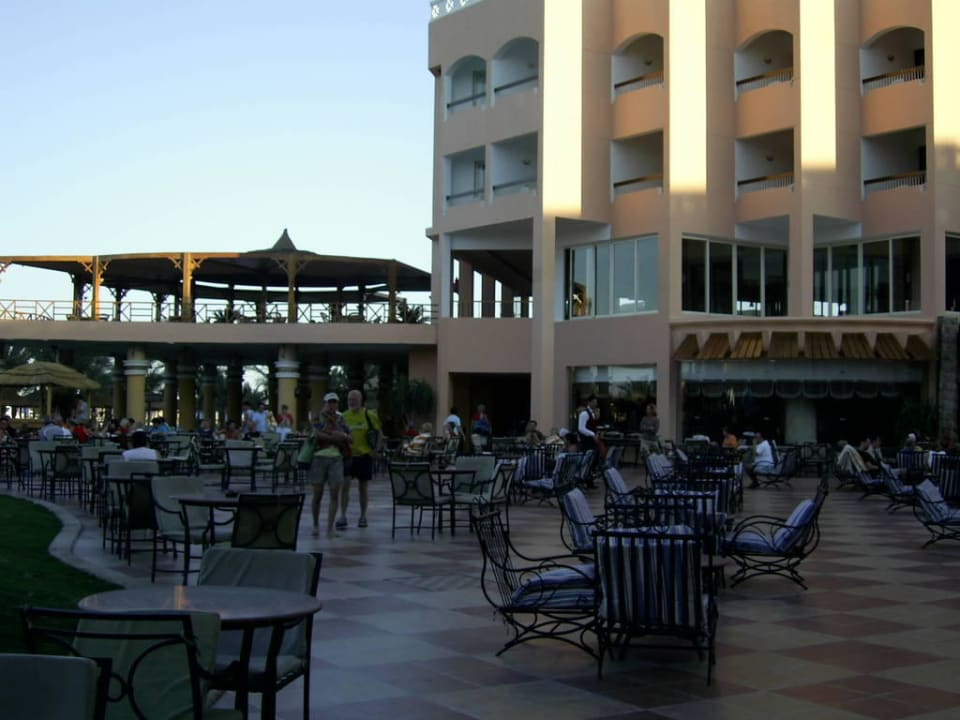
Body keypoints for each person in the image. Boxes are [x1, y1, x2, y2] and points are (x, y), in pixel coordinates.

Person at [309, 392, 352, 539]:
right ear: (325, 403)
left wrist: (342, 436)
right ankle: (315, 525)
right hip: (319, 458)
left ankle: (330, 527)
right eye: (329, 402)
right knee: (317, 494)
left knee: (334, 493)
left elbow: (349, 437)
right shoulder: (318, 417)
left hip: (336, 459)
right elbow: (316, 433)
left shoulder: (341, 419)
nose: (332, 405)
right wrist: (335, 437)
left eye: (334, 402)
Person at [339, 389, 381, 530]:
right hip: (348, 456)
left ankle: (363, 516)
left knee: (363, 488)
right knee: (345, 486)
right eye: (350, 399)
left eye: (355, 399)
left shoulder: (370, 416)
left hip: (364, 456)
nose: (352, 401)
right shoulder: (343, 416)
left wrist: (376, 450)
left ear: (361, 400)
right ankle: (342, 515)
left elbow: (379, 434)